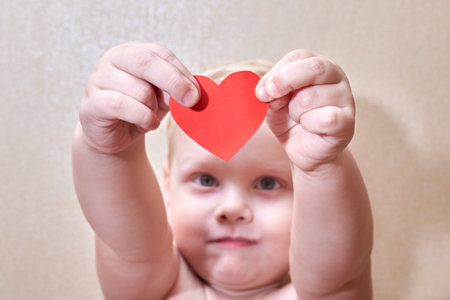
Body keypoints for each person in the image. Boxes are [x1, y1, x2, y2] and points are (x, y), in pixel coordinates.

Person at [72, 41, 373, 299]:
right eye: (206, 180)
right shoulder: (154, 287)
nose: (232, 209)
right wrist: (109, 152)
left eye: (268, 183)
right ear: (167, 188)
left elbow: (336, 268)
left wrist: (321, 166)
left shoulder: (327, 293)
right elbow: (128, 242)